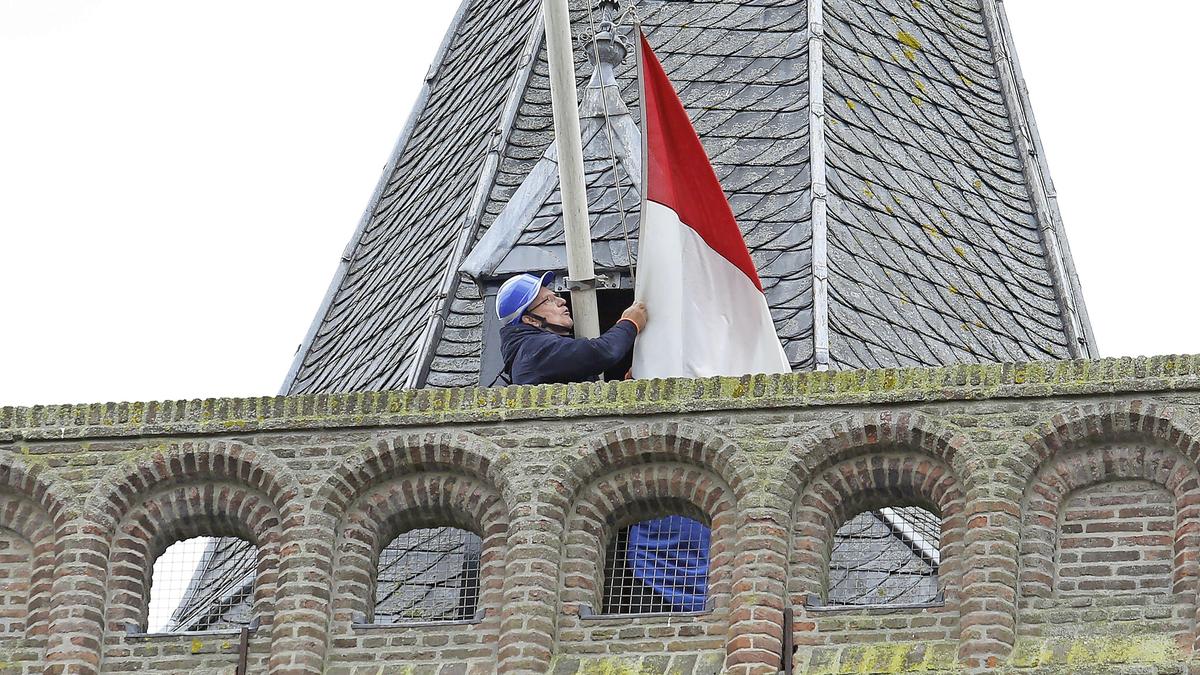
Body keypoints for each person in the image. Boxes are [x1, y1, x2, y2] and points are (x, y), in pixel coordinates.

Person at [498, 271, 647, 385]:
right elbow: (602, 352)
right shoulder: (535, 349)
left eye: (556, 296)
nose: (562, 300)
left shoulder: (531, 353)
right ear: (531, 320)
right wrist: (629, 323)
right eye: (548, 300)